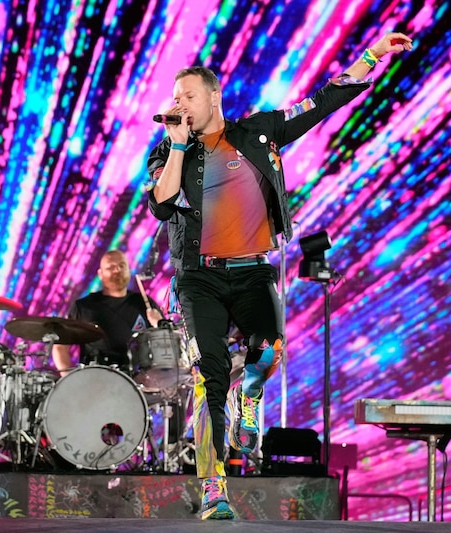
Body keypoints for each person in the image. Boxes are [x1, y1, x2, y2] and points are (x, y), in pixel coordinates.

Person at [146, 33, 413, 519]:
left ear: (212, 97)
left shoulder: (259, 132)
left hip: (253, 273)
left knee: (268, 353)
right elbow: (161, 205)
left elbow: (324, 99)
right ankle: (214, 488)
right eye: (174, 96)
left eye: (187, 95)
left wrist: (373, 55)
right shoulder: (169, 151)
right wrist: (179, 145)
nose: (177, 103)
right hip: (198, 279)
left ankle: (251, 394)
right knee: (208, 382)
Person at [52, 249, 163, 374]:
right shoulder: (84, 307)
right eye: (111, 267)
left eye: (122, 265)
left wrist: (159, 323)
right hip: (96, 381)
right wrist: (70, 380)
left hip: (139, 383)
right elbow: (60, 347)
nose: (117, 270)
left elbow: (166, 343)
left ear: (129, 270)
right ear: (100, 274)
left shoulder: (144, 303)